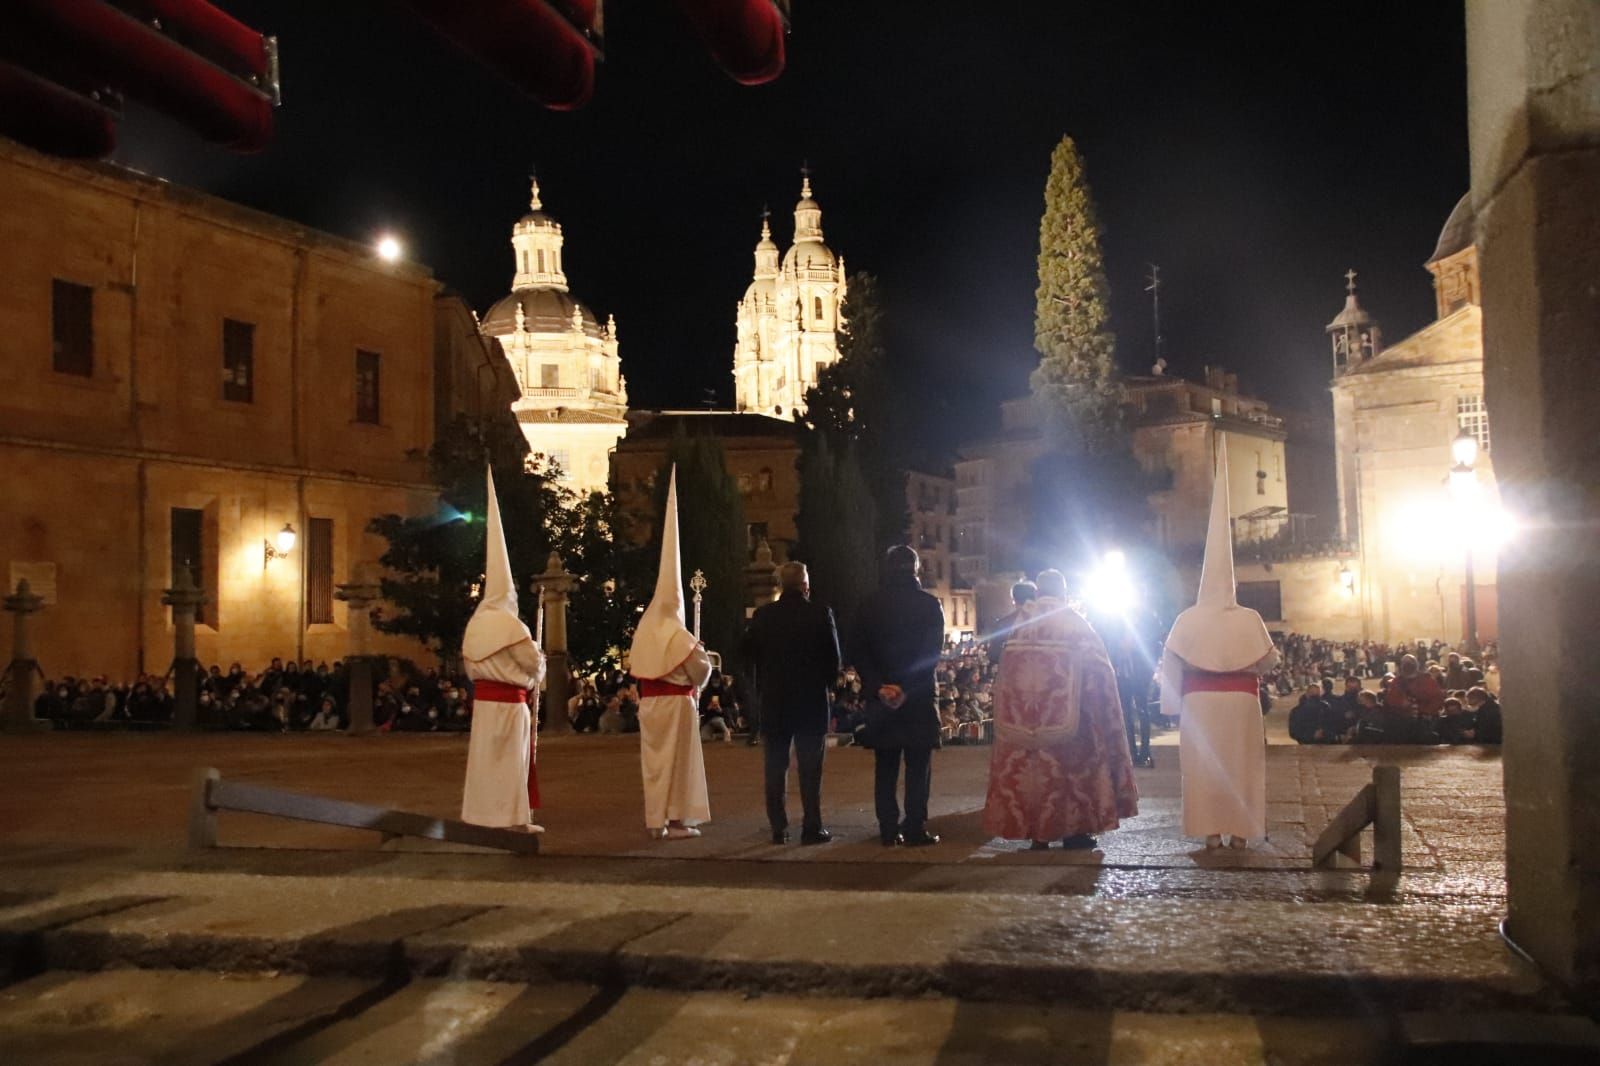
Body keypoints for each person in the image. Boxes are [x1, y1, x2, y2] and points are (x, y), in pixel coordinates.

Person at [1160, 448, 1279, 850]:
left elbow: (1171, 663)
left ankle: (1210, 831)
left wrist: (1170, 705)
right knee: (1243, 766)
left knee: (1204, 768)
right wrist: (1241, 665)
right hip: (1242, 703)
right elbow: (1268, 660)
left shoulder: (1186, 620)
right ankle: (1242, 834)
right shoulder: (1249, 619)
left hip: (1200, 704)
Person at [983, 569, 1139, 850]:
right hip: (1071, 722)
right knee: (1069, 775)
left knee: (1033, 777)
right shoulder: (1076, 624)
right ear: (1063, 592)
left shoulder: (1019, 623)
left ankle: (1037, 835)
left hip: (1022, 724)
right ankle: (1074, 833)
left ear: (1038, 592)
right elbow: (1100, 675)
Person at [627, 467, 713, 840]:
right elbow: (701, 671)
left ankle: (655, 819)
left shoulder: (646, 630)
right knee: (679, 766)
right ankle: (677, 819)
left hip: (650, 706)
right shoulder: (677, 635)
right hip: (677, 707)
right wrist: (701, 654)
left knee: (655, 765)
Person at [460, 466, 546, 834]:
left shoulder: (476, 625)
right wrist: (537, 665)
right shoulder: (511, 625)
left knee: (485, 763)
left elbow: (469, 668)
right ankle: (513, 819)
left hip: (484, 703)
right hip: (510, 704)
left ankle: (483, 816)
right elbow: (533, 666)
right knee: (511, 760)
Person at [740, 561, 843, 845]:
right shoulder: (820, 613)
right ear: (805, 585)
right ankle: (812, 826)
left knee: (775, 767)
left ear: (781, 586)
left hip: (775, 700)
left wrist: (760, 686)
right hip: (810, 701)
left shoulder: (763, 616)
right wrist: (829, 684)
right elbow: (833, 659)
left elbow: (747, 656)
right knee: (811, 770)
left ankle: (778, 828)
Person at [851, 545, 946, 847]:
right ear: (916, 569)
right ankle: (916, 826)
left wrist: (881, 686)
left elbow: (859, 651)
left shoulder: (868, 605)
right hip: (917, 696)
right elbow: (931, 653)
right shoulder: (930, 605)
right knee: (919, 767)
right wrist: (906, 687)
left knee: (886, 764)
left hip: (882, 697)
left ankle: (888, 829)